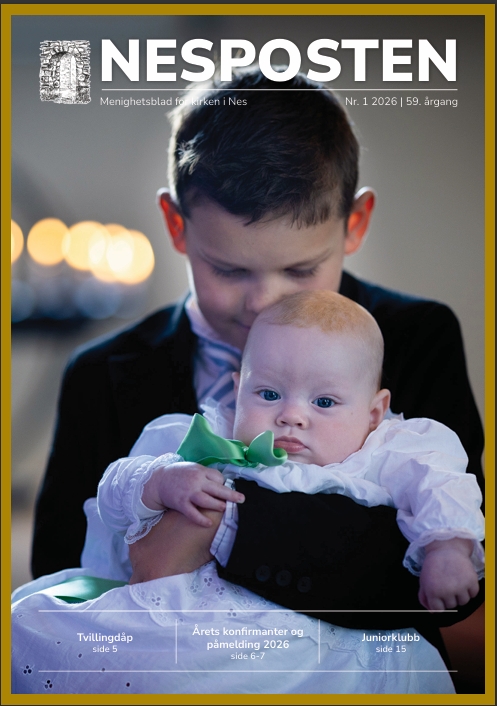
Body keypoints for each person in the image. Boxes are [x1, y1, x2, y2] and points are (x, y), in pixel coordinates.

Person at [31, 70, 484, 650]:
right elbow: (61, 572)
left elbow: (446, 572)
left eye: (300, 270)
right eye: (229, 270)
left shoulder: (416, 337)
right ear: (176, 225)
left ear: (355, 224)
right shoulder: (99, 374)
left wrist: (216, 528)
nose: (263, 302)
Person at [14, 292, 482, 695]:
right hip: (190, 621)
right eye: (269, 394)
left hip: (322, 643)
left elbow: (442, 483)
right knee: (29, 628)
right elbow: (114, 489)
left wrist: (447, 547)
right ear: (238, 390)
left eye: (324, 402)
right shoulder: (206, 439)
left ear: (375, 412)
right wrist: (161, 482)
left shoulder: (388, 450)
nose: (292, 416)